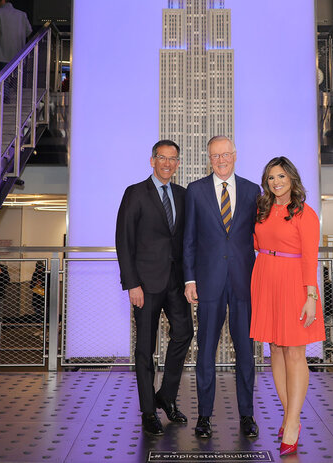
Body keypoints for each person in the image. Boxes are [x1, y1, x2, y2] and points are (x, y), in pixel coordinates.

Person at [183, 135, 259, 439]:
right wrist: (189, 279)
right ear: (209, 158)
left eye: (226, 154)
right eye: (215, 156)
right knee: (206, 353)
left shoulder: (254, 191)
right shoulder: (195, 191)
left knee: (246, 353)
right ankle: (203, 416)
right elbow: (188, 239)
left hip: (244, 283)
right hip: (208, 284)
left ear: (235, 155)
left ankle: (247, 415)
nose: (221, 160)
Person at [116, 140, 193, 436]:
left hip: (176, 283)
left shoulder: (183, 195)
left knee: (185, 333)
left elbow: (186, 240)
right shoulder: (135, 193)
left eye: (173, 159)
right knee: (145, 348)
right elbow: (124, 241)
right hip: (144, 286)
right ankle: (149, 410)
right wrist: (131, 284)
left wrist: (190, 279)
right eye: (162, 158)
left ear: (177, 163)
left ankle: (166, 396)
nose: (167, 163)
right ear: (152, 160)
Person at [249, 157, 324, 456]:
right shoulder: (262, 209)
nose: (276, 182)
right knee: (276, 350)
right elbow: (254, 242)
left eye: (281, 176)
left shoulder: (305, 213)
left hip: (294, 283)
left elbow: (310, 257)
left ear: (292, 178)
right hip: (266, 278)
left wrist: (311, 297)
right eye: (270, 178)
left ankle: (292, 422)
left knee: (295, 351)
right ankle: (288, 414)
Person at [0, 0, 32, 78]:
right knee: (16, 79)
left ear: (2, 0)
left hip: (1, 52)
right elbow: (29, 31)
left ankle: (5, 91)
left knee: (3, 78)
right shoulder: (22, 14)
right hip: (18, 51)